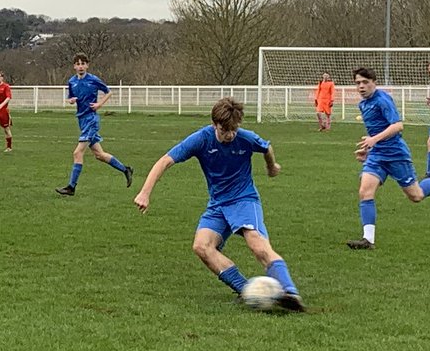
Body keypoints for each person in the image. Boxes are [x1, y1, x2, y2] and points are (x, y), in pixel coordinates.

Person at [134, 97, 305, 311]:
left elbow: (266, 148)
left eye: (234, 129)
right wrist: (144, 192)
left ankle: (291, 292)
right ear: (215, 124)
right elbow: (165, 161)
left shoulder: (245, 138)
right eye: (225, 130)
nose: (230, 135)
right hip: (218, 205)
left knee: (258, 246)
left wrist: (271, 166)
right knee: (202, 247)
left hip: (244, 200)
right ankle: (247, 290)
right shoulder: (201, 139)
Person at [346, 67, 430, 250]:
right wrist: (370, 149)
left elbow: (398, 126)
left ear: (373, 83)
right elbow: (378, 131)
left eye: (365, 82)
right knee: (365, 191)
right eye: (357, 83)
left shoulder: (382, 100)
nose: (361, 86)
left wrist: (374, 140)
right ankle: (368, 240)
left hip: (396, 155)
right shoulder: (363, 104)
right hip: (377, 156)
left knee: (416, 196)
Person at [55, 53, 133, 196]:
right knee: (99, 155)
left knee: (77, 153)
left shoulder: (93, 80)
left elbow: (108, 92)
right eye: (78, 64)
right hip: (81, 120)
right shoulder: (72, 81)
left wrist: (99, 104)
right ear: (74, 66)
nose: (80, 66)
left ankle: (71, 187)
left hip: (91, 120)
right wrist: (71, 100)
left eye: (83, 63)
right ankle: (126, 169)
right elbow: (70, 97)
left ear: (87, 65)